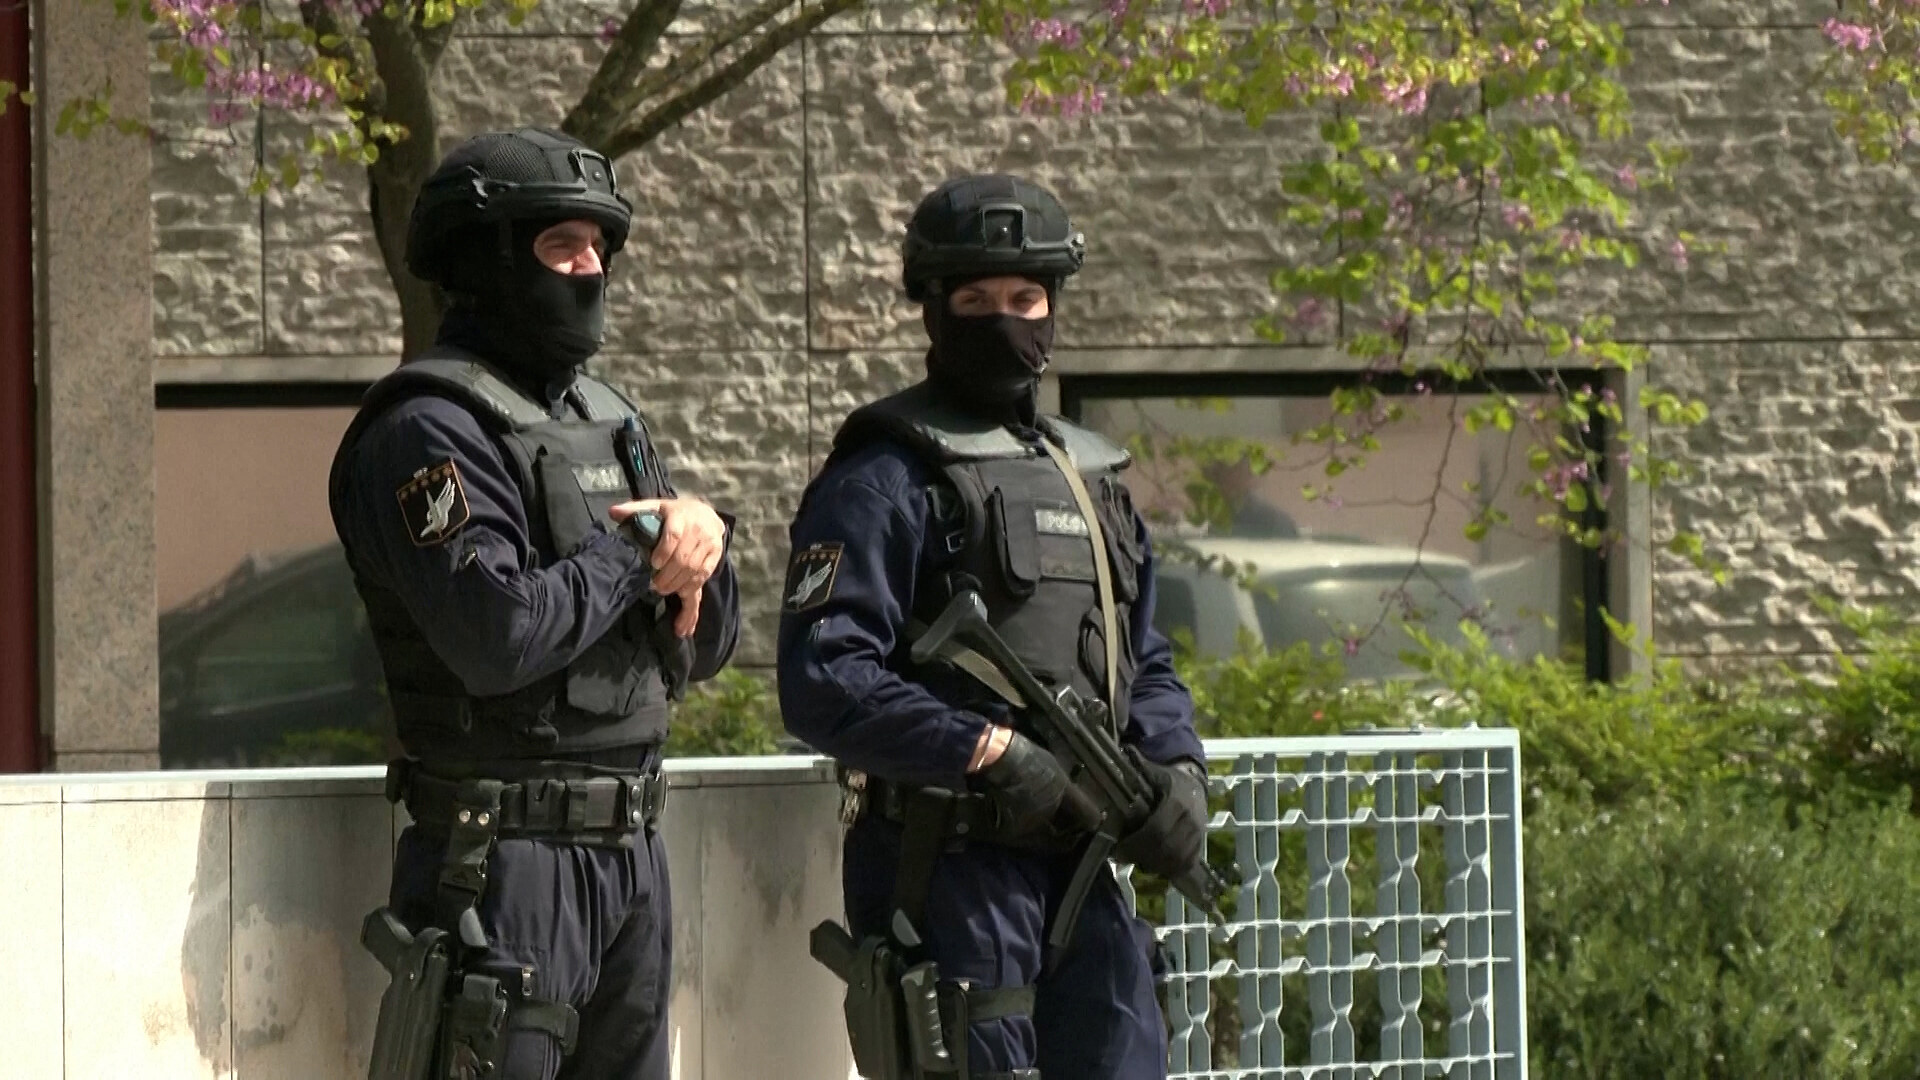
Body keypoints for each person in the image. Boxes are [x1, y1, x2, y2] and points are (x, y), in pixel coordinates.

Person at [777, 174, 1211, 1080]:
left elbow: (1142, 657)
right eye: (976, 302)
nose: (1005, 321)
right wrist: (982, 748)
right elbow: (825, 677)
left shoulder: (1090, 480)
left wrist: (1177, 773)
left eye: (1026, 299)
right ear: (932, 308)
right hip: (948, 866)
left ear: (1054, 306)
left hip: (1083, 866)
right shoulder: (885, 476)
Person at [329, 127, 738, 1080]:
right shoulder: (428, 429)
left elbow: (708, 644)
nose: (591, 268)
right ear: (487, 261)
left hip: (632, 853)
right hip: (501, 863)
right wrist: (641, 548)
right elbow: (497, 636)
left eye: (600, 247)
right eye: (563, 246)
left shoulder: (611, 419)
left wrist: (702, 547)